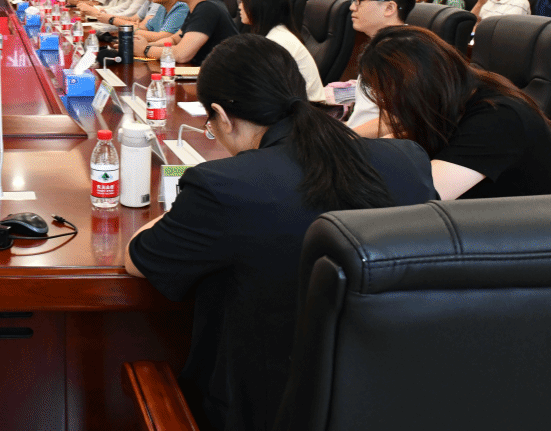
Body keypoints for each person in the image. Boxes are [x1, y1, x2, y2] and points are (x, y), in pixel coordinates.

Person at [126, 34, 436, 431]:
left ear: (221, 115)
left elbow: (138, 259)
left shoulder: (224, 185)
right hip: (392, 401)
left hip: (263, 411)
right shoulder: (408, 160)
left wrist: (175, 212)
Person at [359, 25, 551, 199]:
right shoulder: (458, 96)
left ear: (419, 87)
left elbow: (422, 195)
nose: (387, 106)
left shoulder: (499, 118)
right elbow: (394, 132)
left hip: (528, 234)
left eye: (389, 97)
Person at [347, 0, 417, 134]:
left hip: (369, 144)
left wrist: (341, 138)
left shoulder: (399, 52)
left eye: (360, 0)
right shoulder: (384, 44)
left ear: (389, 8)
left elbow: (397, 120)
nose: (352, 7)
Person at [237, 0, 325, 102]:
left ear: (258, 5)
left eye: (243, 0)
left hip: (303, 109)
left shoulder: (278, 40)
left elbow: (263, 91)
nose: (240, 6)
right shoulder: (274, 33)